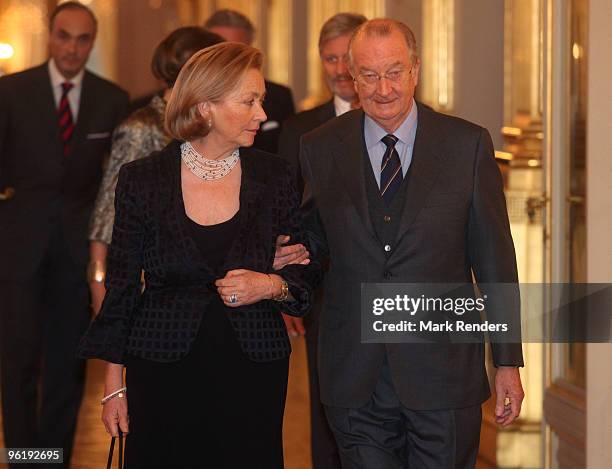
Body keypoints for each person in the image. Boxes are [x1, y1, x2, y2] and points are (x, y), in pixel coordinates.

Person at [78, 42, 320, 468]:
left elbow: (301, 278)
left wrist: (270, 284)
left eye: (261, 100)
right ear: (205, 106)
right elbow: (121, 289)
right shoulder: (143, 179)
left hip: (253, 367)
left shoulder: (275, 176)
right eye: (249, 101)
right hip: (161, 364)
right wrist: (114, 386)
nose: (263, 114)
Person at [299, 19, 525, 468]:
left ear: (416, 70)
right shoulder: (319, 148)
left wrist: (507, 362)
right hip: (354, 378)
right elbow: (313, 247)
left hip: (443, 379)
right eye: (369, 74)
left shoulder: (467, 145)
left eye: (395, 72)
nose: (383, 88)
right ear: (350, 74)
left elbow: (495, 261)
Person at [0, 2, 128, 466]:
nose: (72, 47)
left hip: (77, 255)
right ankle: (23, 458)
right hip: (17, 250)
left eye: (82, 38)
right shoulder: (11, 91)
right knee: (17, 364)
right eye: (64, 35)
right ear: (49, 36)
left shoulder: (111, 99)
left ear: (91, 42)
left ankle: (48, 460)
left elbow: (112, 184)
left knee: (65, 368)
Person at [277, 12, 366, 469]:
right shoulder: (299, 129)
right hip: (324, 294)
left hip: (390, 293)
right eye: (329, 59)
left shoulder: (402, 119)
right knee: (326, 405)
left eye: (347, 57)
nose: (339, 69)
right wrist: (292, 290)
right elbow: (288, 214)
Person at [88, 27, 224, 314]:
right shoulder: (141, 127)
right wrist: (101, 287)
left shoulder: (213, 127)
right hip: (147, 285)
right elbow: (106, 216)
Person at [204, 9, 295, 154]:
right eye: (221, 51)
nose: (229, 60)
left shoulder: (279, 96)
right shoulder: (194, 97)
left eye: (237, 51)